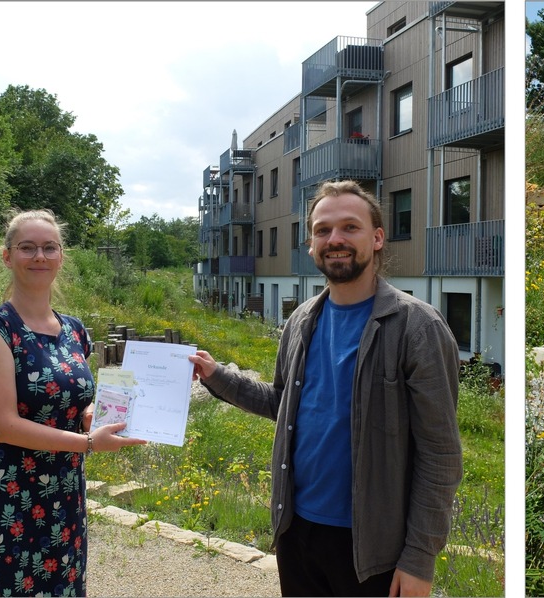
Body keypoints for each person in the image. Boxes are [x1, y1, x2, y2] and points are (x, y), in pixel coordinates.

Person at [189, 180, 464, 597]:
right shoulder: (302, 320)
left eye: (349, 227)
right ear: (311, 243)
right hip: (296, 531)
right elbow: (283, 403)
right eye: (322, 230)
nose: (334, 240)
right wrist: (217, 376)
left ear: (376, 238)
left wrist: (419, 559)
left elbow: (440, 454)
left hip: (372, 549)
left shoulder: (417, 327)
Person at [0, 209, 146, 596]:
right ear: (8, 256)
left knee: (61, 584)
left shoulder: (74, 329)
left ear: (62, 256)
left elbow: (74, 403)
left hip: (62, 488)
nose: (39, 256)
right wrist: (91, 443)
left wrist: (93, 416)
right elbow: (5, 425)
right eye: (27, 248)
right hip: (9, 490)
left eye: (49, 247)